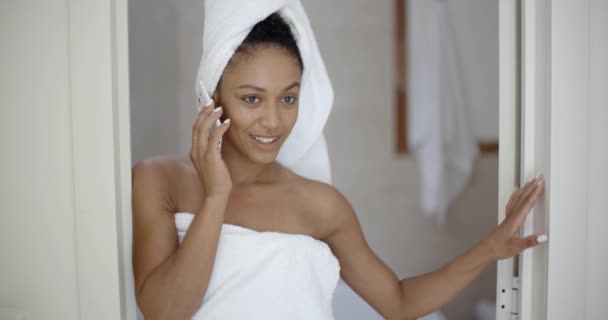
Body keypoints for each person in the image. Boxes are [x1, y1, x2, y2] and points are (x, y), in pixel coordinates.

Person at [131, 11, 546, 320]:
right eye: (252, 99)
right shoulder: (157, 181)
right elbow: (163, 313)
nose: (273, 121)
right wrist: (217, 197)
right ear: (212, 98)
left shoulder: (321, 205)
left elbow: (398, 302)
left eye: (288, 98)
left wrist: (492, 248)